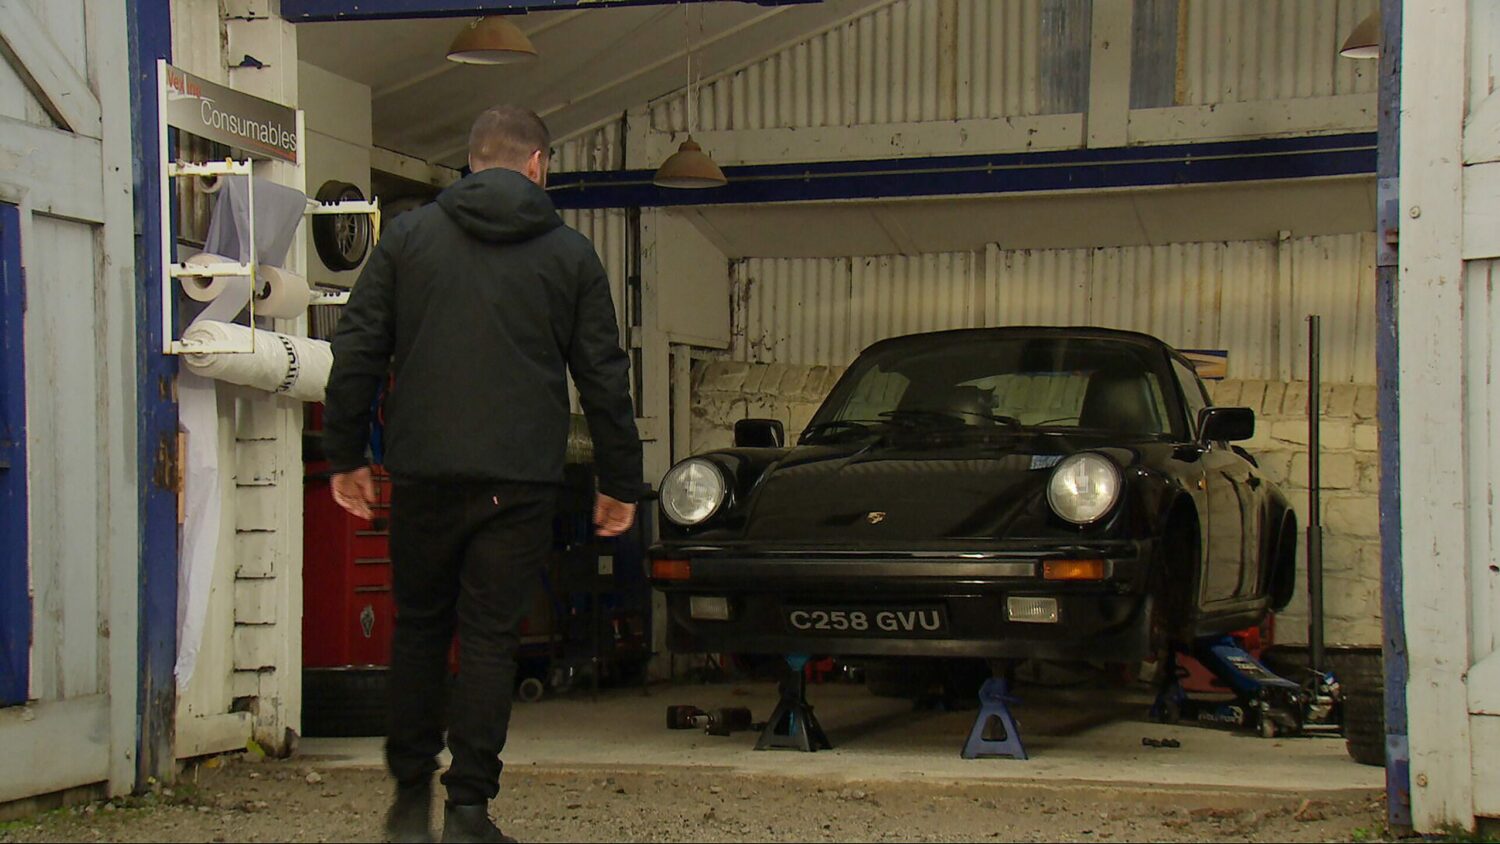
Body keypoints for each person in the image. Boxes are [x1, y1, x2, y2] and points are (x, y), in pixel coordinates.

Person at [323, 105, 643, 844]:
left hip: (426, 473)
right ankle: (469, 809)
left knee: (422, 630)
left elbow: (358, 348)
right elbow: (603, 377)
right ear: (538, 165)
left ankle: (409, 800)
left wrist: (347, 455)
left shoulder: (406, 239)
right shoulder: (570, 255)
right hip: (519, 482)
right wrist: (620, 481)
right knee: (490, 639)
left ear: (471, 164)